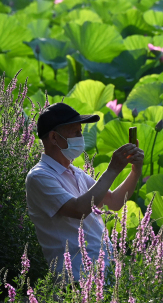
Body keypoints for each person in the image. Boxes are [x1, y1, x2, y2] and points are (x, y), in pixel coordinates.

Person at [25, 102, 144, 282]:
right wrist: (112, 169)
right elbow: (78, 209)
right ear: (54, 137)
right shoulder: (39, 177)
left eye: (80, 132)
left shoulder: (76, 172)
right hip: (76, 278)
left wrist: (135, 171)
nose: (81, 137)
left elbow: (114, 201)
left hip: (105, 272)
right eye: (75, 132)